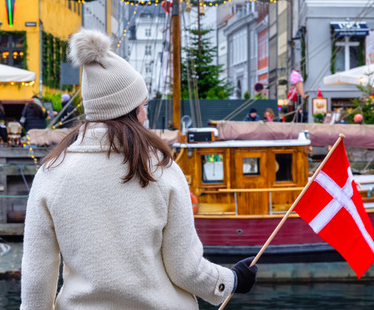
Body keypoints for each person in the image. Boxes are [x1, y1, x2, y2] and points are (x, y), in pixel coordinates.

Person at [21, 29, 257, 309]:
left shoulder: (51, 173)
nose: (145, 114)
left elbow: (37, 280)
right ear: (130, 108)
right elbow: (185, 269)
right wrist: (232, 280)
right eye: (142, 105)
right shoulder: (161, 168)